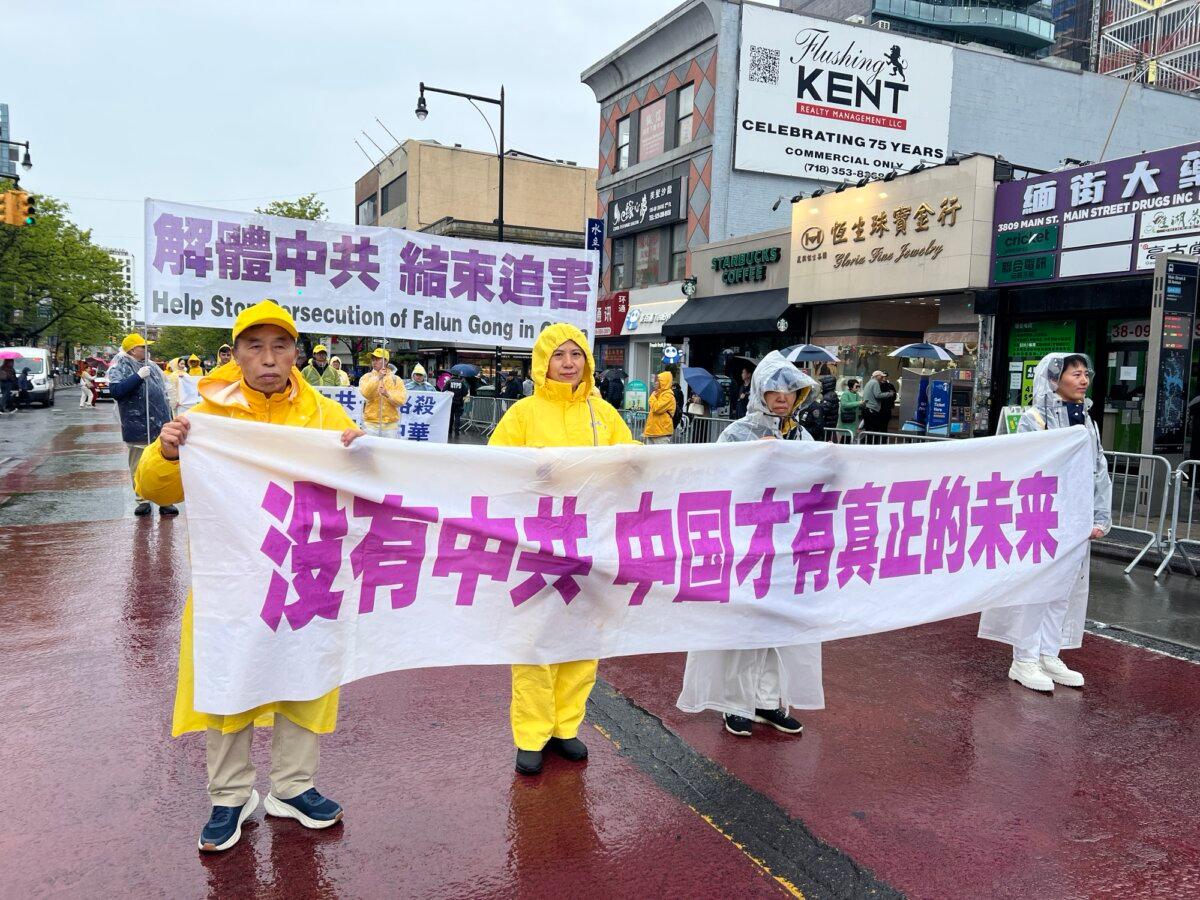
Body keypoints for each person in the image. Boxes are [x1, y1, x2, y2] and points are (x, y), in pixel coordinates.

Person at [135, 300, 364, 853]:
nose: (268, 358)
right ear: (235, 353)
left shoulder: (326, 416)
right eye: (255, 346)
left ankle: (292, 787)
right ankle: (230, 795)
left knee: (304, 675)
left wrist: (363, 454)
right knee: (230, 677)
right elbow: (154, 490)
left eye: (280, 346)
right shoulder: (206, 418)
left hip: (304, 571)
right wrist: (166, 454)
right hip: (232, 580)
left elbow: (365, 486)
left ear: (297, 353)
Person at [489, 323, 636, 776]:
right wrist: (534, 470)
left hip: (590, 541)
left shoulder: (604, 412)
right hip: (538, 541)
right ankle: (531, 734)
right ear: (543, 362)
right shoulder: (523, 413)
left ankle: (565, 727)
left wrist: (635, 457)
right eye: (559, 355)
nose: (569, 362)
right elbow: (494, 465)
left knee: (582, 637)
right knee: (534, 638)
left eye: (576, 354)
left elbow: (628, 459)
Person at [678, 352, 823, 737]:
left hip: (789, 547)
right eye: (773, 389)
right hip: (749, 545)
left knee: (780, 628)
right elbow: (718, 481)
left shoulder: (802, 436)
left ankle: (769, 701)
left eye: (790, 390)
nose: (782, 397)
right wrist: (753, 460)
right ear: (760, 391)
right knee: (744, 627)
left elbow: (815, 486)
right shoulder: (737, 433)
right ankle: (735, 703)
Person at [979, 352, 1112, 692]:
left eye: (1086, 373)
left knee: (1064, 590)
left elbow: (1099, 470)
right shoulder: (1034, 418)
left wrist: (1100, 515)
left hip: (1077, 519)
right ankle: (1023, 658)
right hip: (1043, 517)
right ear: (1055, 380)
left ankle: (1048, 653)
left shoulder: (1087, 419)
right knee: (1037, 588)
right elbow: (1025, 467)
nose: (1083, 380)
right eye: (1075, 374)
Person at [107, 334, 176, 518]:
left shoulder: (152, 366)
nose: (147, 350)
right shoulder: (120, 365)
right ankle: (142, 500)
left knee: (162, 461)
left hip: (159, 424)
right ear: (132, 350)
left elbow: (163, 391)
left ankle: (165, 500)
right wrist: (137, 377)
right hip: (136, 423)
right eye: (143, 347)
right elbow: (116, 391)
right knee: (138, 463)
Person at [358, 348, 408, 438]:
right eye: (373, 359)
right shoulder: (366, 377)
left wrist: (387, 394)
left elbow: (401, 400)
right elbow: (366, 393)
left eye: (377, 359)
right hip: (371, 423)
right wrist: (378, 378)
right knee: (370, 450)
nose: (374, 362)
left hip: (390, 424)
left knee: (388, 451)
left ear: (386, 361)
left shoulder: (396, 379)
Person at [644, 371, 676, 445]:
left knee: (661, 456)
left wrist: (652, 396)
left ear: (664, 383)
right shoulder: (658, 394)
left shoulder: (668, 396)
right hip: (653, 431)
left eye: (658, 381)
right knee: (650, 456)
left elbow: (656, 408)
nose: (656, 383)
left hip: (661, 433)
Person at [445, 370, 471, 439]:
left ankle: (449, 430)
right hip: (459, 402)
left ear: (452, 375)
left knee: (450, 417)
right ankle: (457, 432)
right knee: (457, 418)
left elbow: (444, 391)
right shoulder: (462, 383)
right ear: (458, 375)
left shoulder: (449, 382)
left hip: (450, 402)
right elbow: (465, 392)